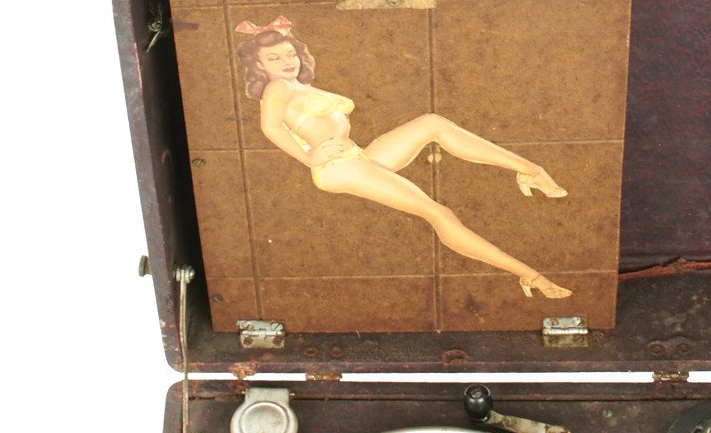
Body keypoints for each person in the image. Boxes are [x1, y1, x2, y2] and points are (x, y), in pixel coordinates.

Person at [235, 17, 572, 299]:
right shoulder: (277, 89)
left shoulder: (298, 87)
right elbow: (270, 127)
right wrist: (309, 158)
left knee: (432, 123)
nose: (286, 62)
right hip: (338, 168)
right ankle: (530, 275)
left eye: (289, 53)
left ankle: (529, 170)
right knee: (438, 213)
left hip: (355, 156)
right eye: (274, 58)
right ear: (260, 66)